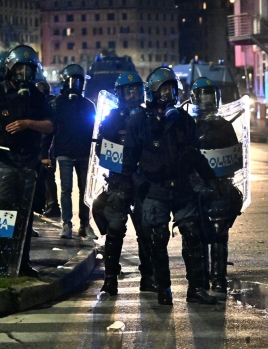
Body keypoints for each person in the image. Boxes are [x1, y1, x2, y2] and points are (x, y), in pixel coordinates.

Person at [122, 66, 218, 305]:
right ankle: (163, 288)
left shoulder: (184, 120)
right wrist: (133, 189)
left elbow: (195, 154)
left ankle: (196, 288)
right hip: (155, 189)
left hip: (183, 189)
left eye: (172, 89)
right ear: (153, 92)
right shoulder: (139, 122)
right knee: (157, 238)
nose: (169, 94)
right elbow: (128, 161)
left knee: (193, 236)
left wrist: (212, 181)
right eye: (164, 89)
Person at [0, 45, 54, 278]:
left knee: (24, 215)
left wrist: (28, 124)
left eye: (28, 68)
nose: (24, 73)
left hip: (28, 164)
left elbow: (49, 124)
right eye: (19, 68)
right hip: (2, 162)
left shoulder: (36, 96)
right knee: (0, 211)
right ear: (10, 69)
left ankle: (21, 264)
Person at [93, 71, 157, 296]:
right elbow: (101, 149)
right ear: (119, 93)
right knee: (115, 229)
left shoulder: (148, 116)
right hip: (119, 181)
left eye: (135, 90)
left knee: (147, 230)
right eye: (127, 90)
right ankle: (110, 279)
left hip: (144, 181)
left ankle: (148, 277)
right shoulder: (111, 118)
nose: (131, 94)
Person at [189, 77, 243, 293]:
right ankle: (201, 277)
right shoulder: (190, 125)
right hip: (196, 186)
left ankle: (219, 277)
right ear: (195, 99)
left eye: (211, 97)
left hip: (220, 185)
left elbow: (234, 154)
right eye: (203, 97)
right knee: (197, 232)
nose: (208, 102)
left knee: (220, 232)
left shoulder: (224, 125)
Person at [48, 64, 97, 239]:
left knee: (85, 192)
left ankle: (85, 225)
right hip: (64, 151)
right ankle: (67, 224)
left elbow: (94, 130)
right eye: (72, 80)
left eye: (78, 81)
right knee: (66, 189)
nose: (75, 84)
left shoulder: (88, 105)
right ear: (65, 81)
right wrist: (46, 154)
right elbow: (50, 129)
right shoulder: (57, 104)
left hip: (84, 153)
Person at [37, 80, 61, 219]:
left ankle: (52, 206)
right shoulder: (48, 103)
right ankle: (49, 205)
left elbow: (47, 133)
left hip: (48, 148)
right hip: (46, 148)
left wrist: (44, 154)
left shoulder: (48, 105)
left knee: (47, 177)